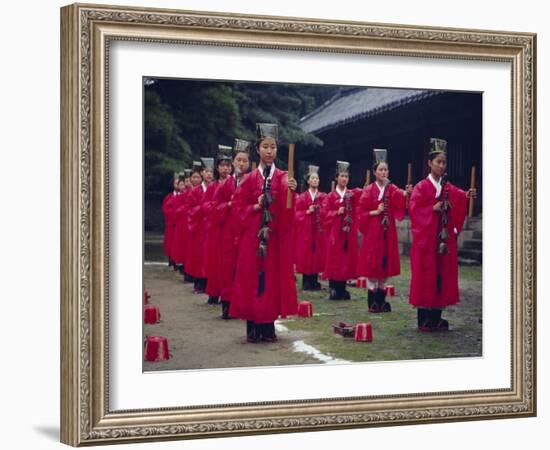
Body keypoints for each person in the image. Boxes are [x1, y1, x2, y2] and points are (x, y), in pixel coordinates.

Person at [230, 123, 298, 342]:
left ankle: (268, 325)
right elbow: (238, 212)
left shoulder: (282, 177)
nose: (270, 151)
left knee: (271, 281)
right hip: (252, 239)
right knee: (251, 280)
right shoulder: (249, 180)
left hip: (274, 240)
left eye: (273, 147)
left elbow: (288, 215)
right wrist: (256, 206)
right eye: (266, 147)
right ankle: (252, 326)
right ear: (257, 149)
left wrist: (291, 192)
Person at [408, 138, 476, 331]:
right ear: (430, 163)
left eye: (444, 162)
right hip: (426, 241)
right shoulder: (421, 187)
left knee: (441, 276)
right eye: (438, 162)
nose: (441, 166)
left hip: (443, 240)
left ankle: (436, 316)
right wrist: (433, 208)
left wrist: (467, 195)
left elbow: (459, 196)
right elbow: (414, 210)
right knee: (425, 276)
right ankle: (424, 319)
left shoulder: (447, 187)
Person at [358, 149, 412, 312]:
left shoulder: (391, 187)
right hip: (373, 233)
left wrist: (407, 193)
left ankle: (381, 301)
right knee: (373, 266)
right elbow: (360, 212)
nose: (383, 172)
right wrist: (375, 211)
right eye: (380, 169)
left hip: (387, 233)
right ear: (374, 172)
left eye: (385, 169)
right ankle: (372, 301)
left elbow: (400, 196)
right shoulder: (368, 190)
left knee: (384, 266)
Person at [211, 138, 252, 319]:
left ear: (249, 163)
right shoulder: (226, 185)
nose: (241, 163)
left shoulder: (252, 181)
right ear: (234, 161)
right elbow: (214, 207)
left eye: (245, 161)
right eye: (238, 160)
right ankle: (227, 305)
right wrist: (227, 205)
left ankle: (241, 305)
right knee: (227, 269)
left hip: (245, 231)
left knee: (243, 269)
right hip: (228, 232)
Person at [322, 161, 363, 300]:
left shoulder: (352, 194)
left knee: (346, 259)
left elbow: (363, 199)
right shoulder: (330, 196)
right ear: (336, 178)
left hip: (348, 232)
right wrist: (336, 212)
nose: (344, 178)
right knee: (335, 258)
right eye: (342, 176)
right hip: (335, 233)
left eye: (346, 176)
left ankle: (342, 288)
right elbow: (323, 214)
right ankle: (333, 287)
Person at [205, 146, 233, 305]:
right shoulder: (213, 187)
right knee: (216, 264)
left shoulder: (236, 183)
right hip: (216, 229)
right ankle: (214, 293)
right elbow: (207, 207)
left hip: (231, 229)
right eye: (223, 165)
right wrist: (225, 207)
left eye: (228, 165)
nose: (226, 168)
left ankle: (228, 296)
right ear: (217, 167)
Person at [294, 165, 327, 291]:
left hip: (317, 230)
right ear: (308, 181)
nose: (315, 180)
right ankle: (306, 281)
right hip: (305, 231)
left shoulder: (322, 196)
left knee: (316, 254)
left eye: (317, 179)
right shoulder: (302, 197)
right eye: (312, 178)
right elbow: (296, 214)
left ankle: (314, 281)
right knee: (306, 254)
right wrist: (307, 212)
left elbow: (325, 211)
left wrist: (319, 210)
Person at [185, 160, 212, 293]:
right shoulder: (195, 191)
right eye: (206, 171)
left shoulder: (214, 188)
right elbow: (189, 209)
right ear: (202, 173)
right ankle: (198, 283)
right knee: (199, 257)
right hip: (200, 227)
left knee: (209, 257)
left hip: (211, 227)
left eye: (211, 172)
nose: (209, 174)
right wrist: (202, 209)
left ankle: (208, 283)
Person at [170, 170, 192, 275]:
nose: (186, 184)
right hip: (181, 223)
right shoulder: (178, 196)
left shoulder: (192, 192)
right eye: (184, 182)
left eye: (187, 181)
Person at [161, 173, 179, 269]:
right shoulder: (169, 197)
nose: (177, 185)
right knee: (170, 243)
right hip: (171, 224)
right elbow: (165, 210)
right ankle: (171, 261)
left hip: (179, 224)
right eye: (176, 183)